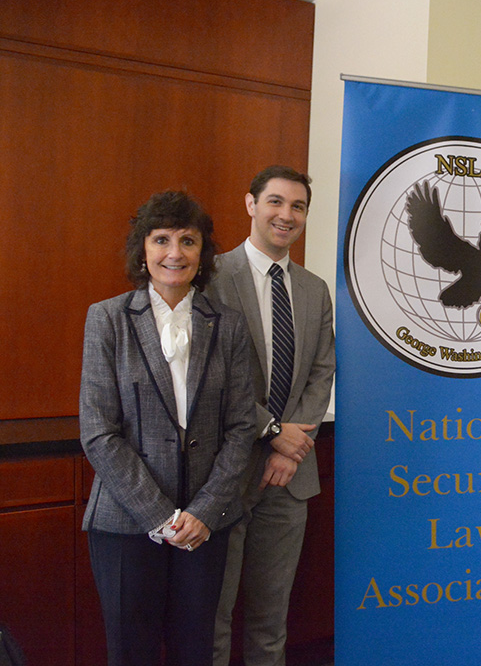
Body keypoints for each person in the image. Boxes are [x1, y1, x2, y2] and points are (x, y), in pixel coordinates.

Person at [80, 191, 258, 665]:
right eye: (161, 240)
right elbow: (98, 431)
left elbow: (242, 428)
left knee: (195, 650)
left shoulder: (230, 327)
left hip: (205, 524)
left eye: (188, 240)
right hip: (125, 522)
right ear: (143, 250)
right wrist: (160, 517)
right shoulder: (108, 319)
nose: (174, 253)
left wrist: (203, 511)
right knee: (131, 652)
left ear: (204, 254)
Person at [211, 166, 335, 666]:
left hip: (290, 478)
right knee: (214, 619)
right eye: (276, 202)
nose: (287, 215)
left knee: (270, 620)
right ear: (250, 204)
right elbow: (213, 376)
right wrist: (273, 433)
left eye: (298, 206)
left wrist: (293, 447)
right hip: (225, 475)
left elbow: (321, 371)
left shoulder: (313, 288)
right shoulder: (213, 277)